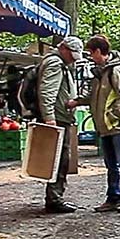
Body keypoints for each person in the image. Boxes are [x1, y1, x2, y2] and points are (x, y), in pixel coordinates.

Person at [72, 35, 120, 213]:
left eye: (91, 53)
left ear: (99, 52)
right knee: (111, 165)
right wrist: (77, 101)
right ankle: (113, 198)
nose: (90, 56)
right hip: (106, 128)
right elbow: (95, 97)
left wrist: (111, 116)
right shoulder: (99, 72)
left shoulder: (115, 71)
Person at [37, 36, 84, 213]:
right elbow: (47, 92)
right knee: (59, 159)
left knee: (60, 158)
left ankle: (55, 196)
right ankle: (54, 198)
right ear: (63, 48)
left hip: (60, 117)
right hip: (58, 118)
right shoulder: (55, 64)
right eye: (72, 54)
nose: (73, 59)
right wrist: (50, 118)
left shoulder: (58, 62)